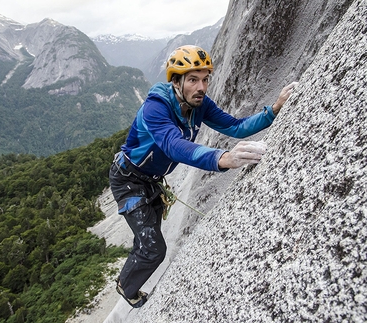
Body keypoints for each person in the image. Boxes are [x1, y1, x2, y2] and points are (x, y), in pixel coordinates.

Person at [109, 45, 297, 308]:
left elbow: (235, 126)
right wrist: (222, 159)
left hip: (149, 180)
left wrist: (273, 110)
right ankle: (126, 287)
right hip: (128, 180)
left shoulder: (198, 105)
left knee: (148, 241)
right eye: (193, 80)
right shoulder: (156, 107)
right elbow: (173, 145)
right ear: (176, 81)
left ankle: (133, 269)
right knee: (153, 248)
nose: (202, 87)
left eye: (205, 79)